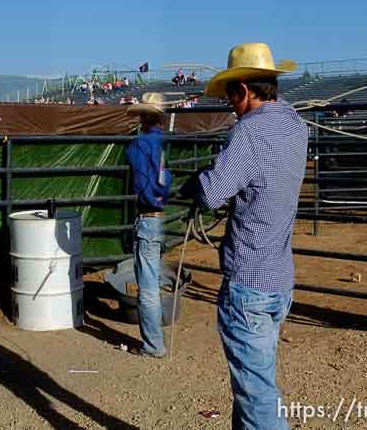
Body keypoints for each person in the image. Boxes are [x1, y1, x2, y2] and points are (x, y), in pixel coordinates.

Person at [182, 43, 307, 430]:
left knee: (257, 399)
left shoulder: (248, 132)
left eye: (232, 96)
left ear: (244, 91)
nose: (231, 105)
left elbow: (212, 191)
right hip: (278, 277)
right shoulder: (295, 126)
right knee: (254, 387)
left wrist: (195, 182)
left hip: (249, 282)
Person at [124, 93, 173, 358]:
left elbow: (140, 175)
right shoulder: (163, 144)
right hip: (159, 214)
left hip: (147, 216)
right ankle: (155, 341)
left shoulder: (139, 146)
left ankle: (153, 344)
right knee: (152, 278)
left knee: (147, 284)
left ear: (143, 118)